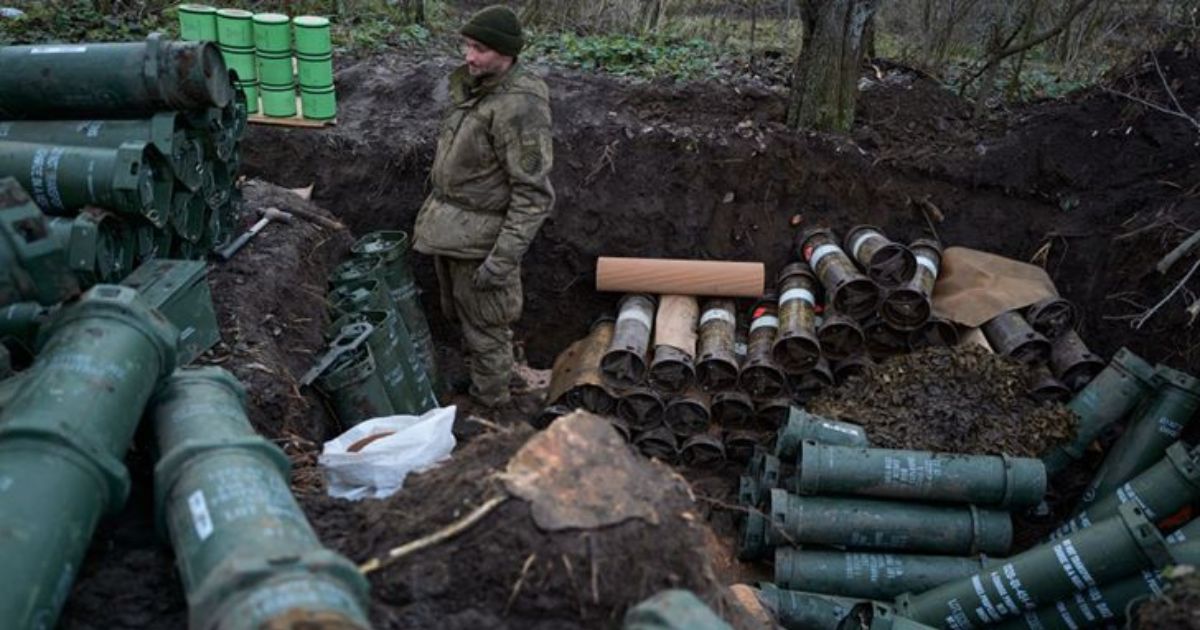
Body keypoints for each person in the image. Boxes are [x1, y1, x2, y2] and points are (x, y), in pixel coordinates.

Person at [413, 5, 555, 409]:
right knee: (461, 316)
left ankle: (491, 410)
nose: (468, 56)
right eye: (467, 45)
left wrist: (502, 260)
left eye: (480, 49)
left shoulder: (520, 106)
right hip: (452, 230)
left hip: (482, 244)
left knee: (487, 328)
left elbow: (533, 194)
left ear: (507, 53)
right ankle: (482, 378)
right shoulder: (479, 88)